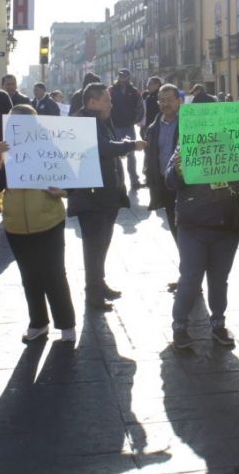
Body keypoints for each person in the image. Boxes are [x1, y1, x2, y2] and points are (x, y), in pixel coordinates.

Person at [0, 105, 75, 343]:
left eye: (21, 123)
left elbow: (71, 178)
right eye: (12, 123)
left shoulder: (49, 147)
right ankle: (38, 323)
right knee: (29, 276)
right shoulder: (4, 150)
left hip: (48, 220)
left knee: (54, 273)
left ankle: (66, 324)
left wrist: (63, 191)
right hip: (16, 224)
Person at [68, 83, 146, 310]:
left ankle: (99, 284)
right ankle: (93, 294)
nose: (111, 103)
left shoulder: (100, 120)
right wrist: (132, 144)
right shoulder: (85, 122)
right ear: (92, 102)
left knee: (102, 245)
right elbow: (104, 148)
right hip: (92, 198)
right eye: (106, 100)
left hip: (106, 195)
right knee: (94, 248)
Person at [166, 145, 239, 350]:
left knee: (219, 279)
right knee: (190, 277)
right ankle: (179, 325)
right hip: (193, 225)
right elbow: (169, 182)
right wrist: (177, 171)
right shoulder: (185, 148)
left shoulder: (234, 146)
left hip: (226, 225)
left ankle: (218, 323)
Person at [145, 84, 181, 245]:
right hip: (164, 183)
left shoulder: (188, 125)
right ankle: (185, 260)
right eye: (161, 100)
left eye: (169, 100)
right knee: (173, 224)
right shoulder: (153, 128)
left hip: (185, 184)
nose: (165, 104)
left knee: (185, 226)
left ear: (179, 101)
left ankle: (189, 261)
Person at [109, 68, 145, 189]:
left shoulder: (134, 91)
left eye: (124, 76)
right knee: (114, 155)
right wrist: (109, 121)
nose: (122, 78)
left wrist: (134, 121)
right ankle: (117, 183)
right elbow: (106, 105)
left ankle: (134, 181)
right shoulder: (111, 90)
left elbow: (141, 107)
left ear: (129, 77)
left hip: (128, 127)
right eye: (120, 76)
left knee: (131, 155)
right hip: (115, 126)